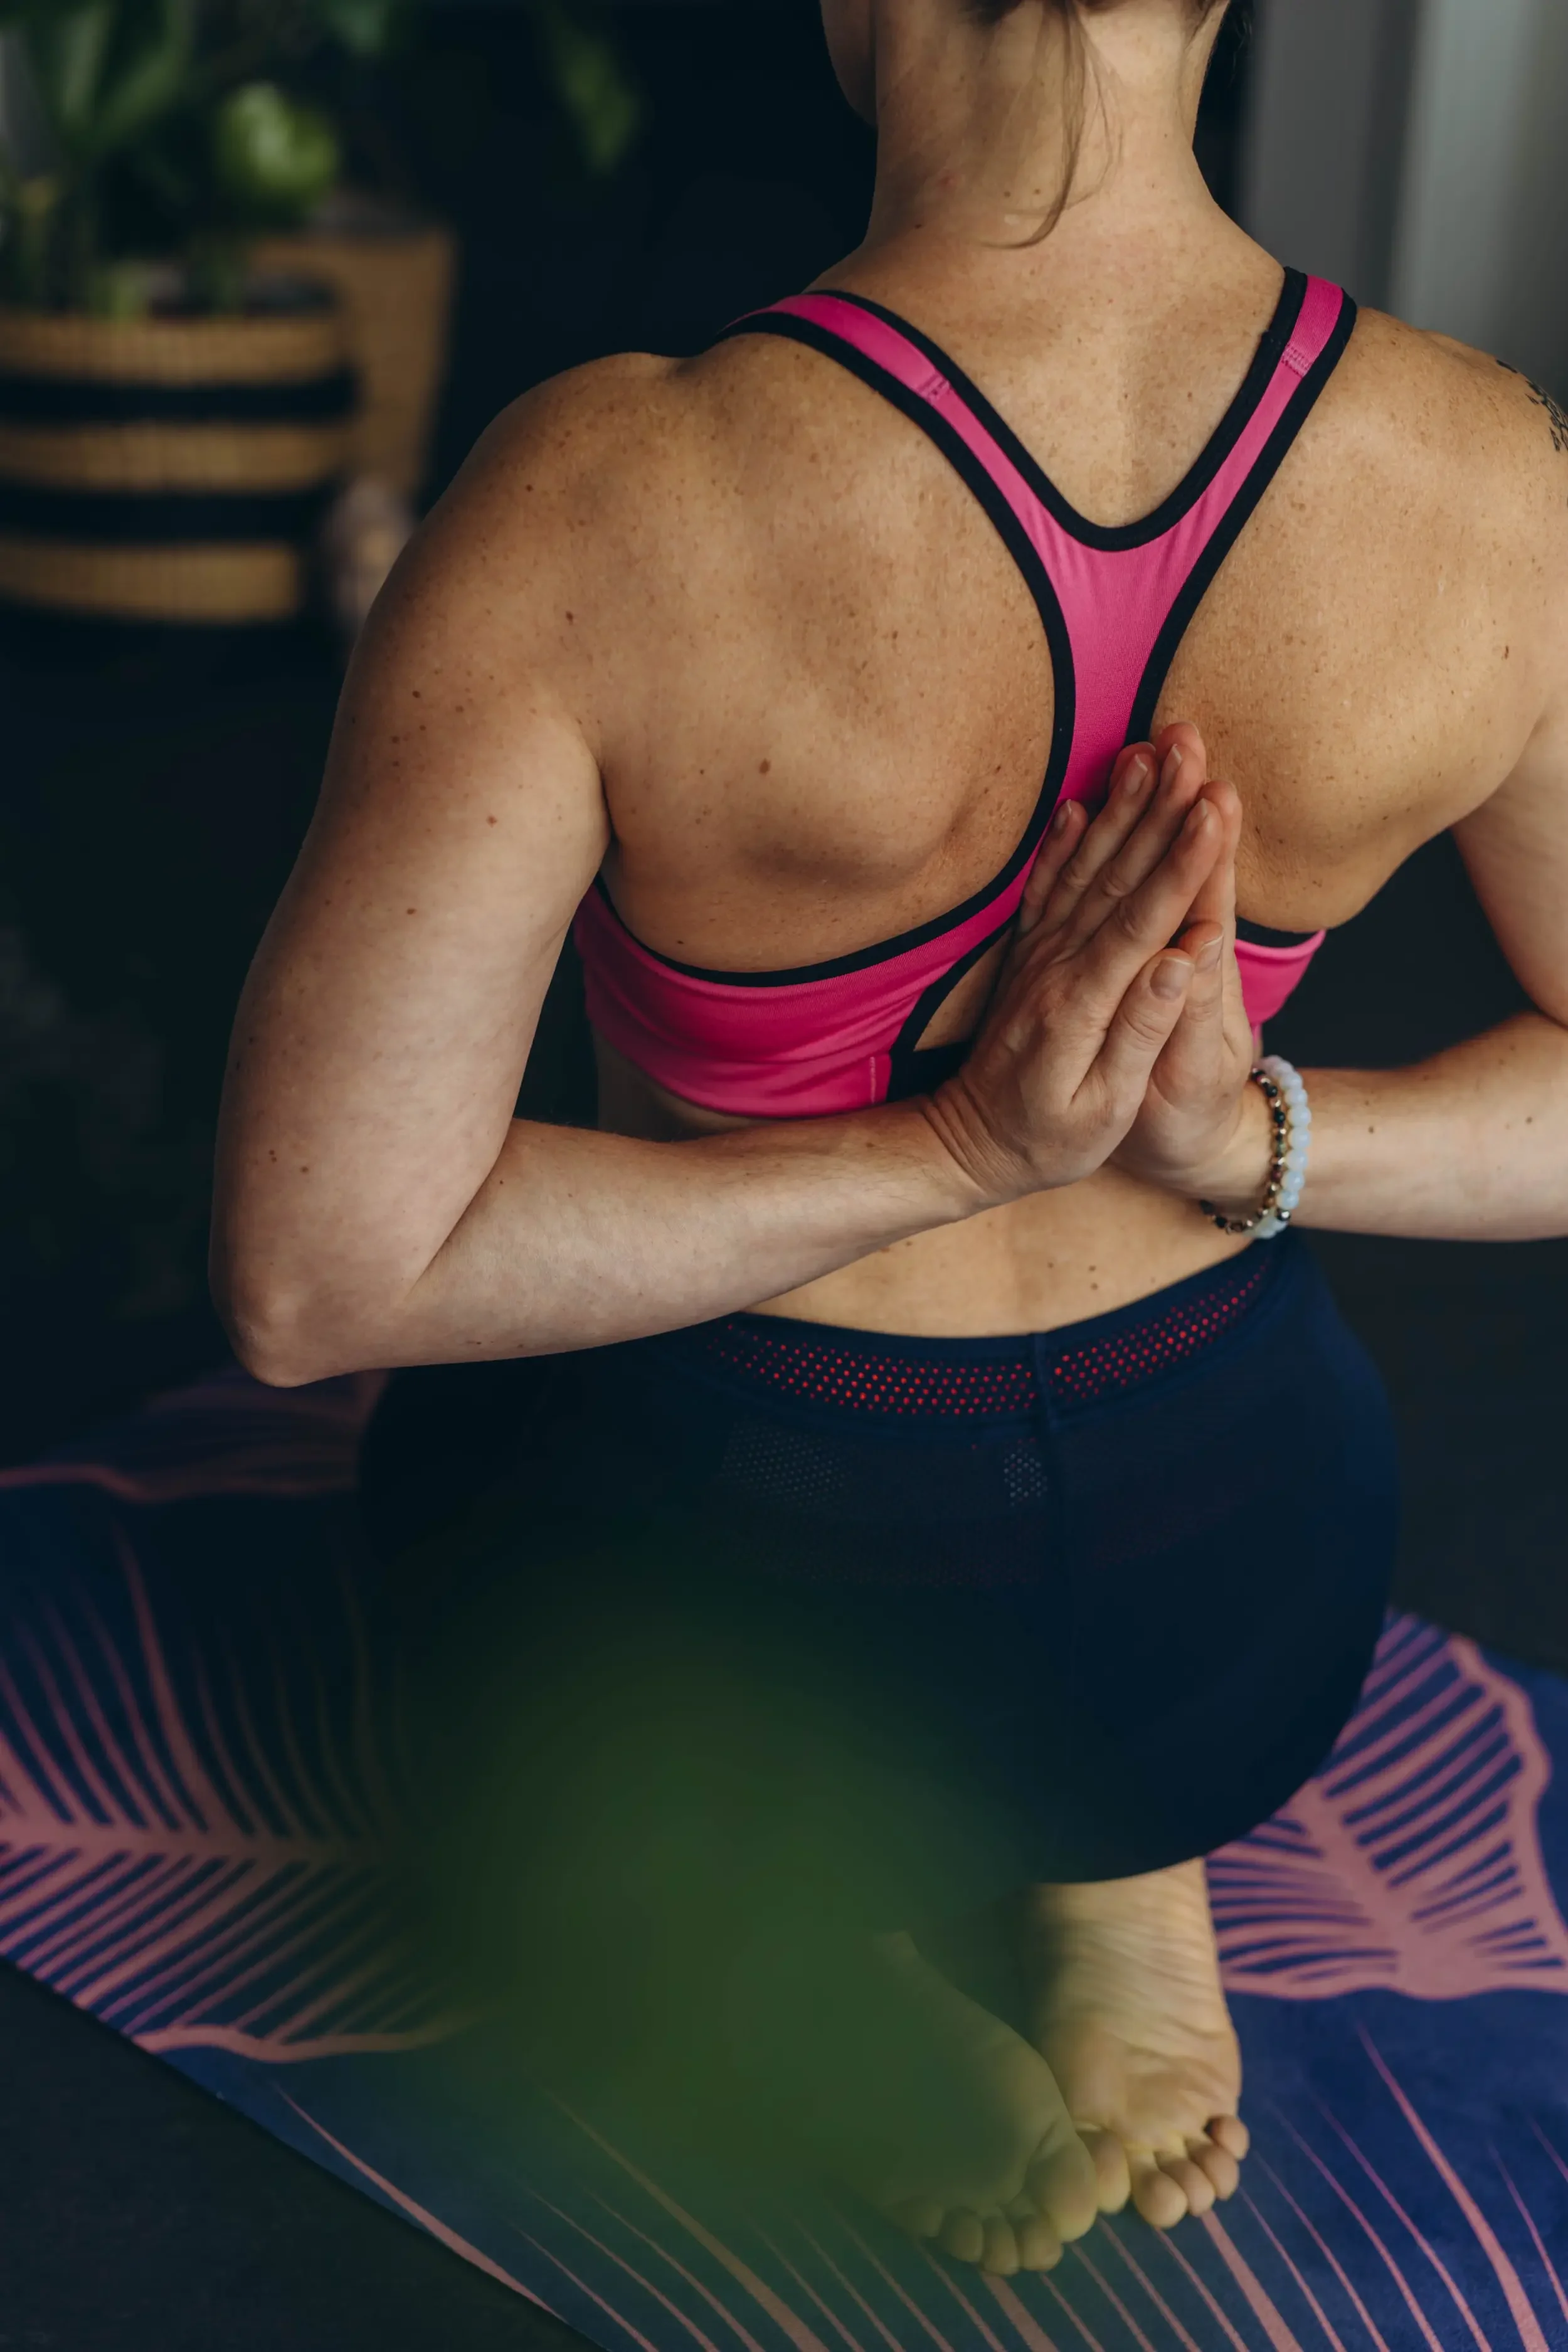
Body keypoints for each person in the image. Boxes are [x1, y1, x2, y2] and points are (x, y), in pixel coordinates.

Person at [212, 0, 1568, 2280]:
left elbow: (313, 1279)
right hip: (1238, 1586)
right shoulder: (1488, 476)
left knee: (460, 1552)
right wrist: (1245, 1136)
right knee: (1120, 1627)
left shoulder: (604, 498)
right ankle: (1128, 1854)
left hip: (729, 1593)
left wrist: (950, 1148)